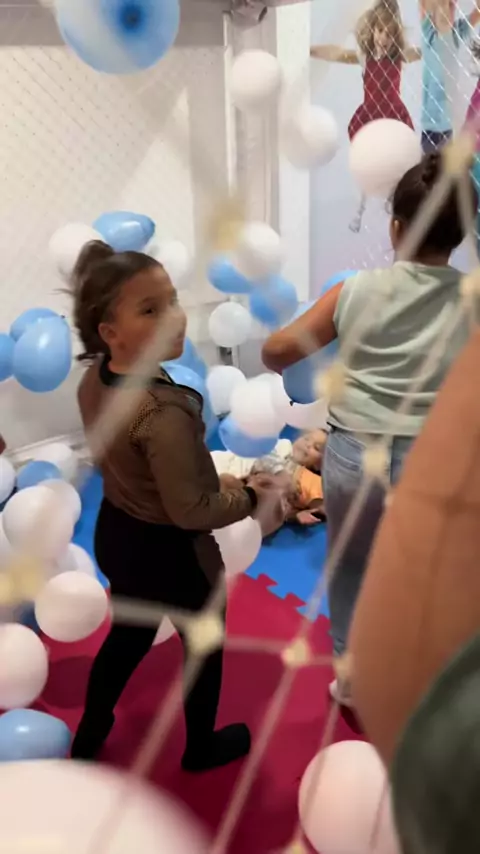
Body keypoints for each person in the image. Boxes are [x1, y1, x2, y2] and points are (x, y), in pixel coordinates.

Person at [262, 152, 477, 706]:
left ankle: (355, 680)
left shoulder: (354, 291)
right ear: (460, 234)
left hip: (357, 454)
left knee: (354, 566)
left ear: (396, 227)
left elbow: (275, 352)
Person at [70, 240, 266, 771]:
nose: (176, 318)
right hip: (173, 555)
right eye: (150, 310)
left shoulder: (97, 378)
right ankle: (200, 748)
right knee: (204, 643)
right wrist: (250, 497)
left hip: (118, 533)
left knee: (127, 636)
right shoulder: (161, 412)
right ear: (110, 332)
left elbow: (137, 462)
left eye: (173, 301)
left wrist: (205, 477)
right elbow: (191, 512)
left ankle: (89, 733)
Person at [311, 0, 420, 232]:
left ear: (396, 36)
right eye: (380, 31)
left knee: (393, 160)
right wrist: (312, 50)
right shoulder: (364, 57)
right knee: (368, 162)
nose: (384, 39)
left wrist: (439, 41)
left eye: (390, 34)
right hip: (370, 114)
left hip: (392, 114)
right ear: (372, 30)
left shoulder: (399, 57)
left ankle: (395, 200)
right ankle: (360, 208)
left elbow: (421, 52)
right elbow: (338, 54)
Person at [419, 0, 480, 154]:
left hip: (448, 127)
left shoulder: (457, 33)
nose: (446, 11)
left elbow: (477, 13)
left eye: (451, 6)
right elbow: (423, 4)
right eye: (442, 5)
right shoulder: (428, 32)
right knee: (430, 164)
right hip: (430, 127)